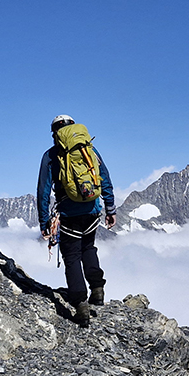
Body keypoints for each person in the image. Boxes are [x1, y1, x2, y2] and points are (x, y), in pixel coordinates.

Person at [37, 115, 116, 325]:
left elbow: (43, 191)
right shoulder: (89, 150)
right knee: (88, 247)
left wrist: (44, 221)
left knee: (71, 256)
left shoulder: (51, 156)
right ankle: (97, 290)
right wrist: (110, 208)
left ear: (54, 133)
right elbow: (104, 178)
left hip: (69, 213)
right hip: (92, 209)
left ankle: (81, 304)